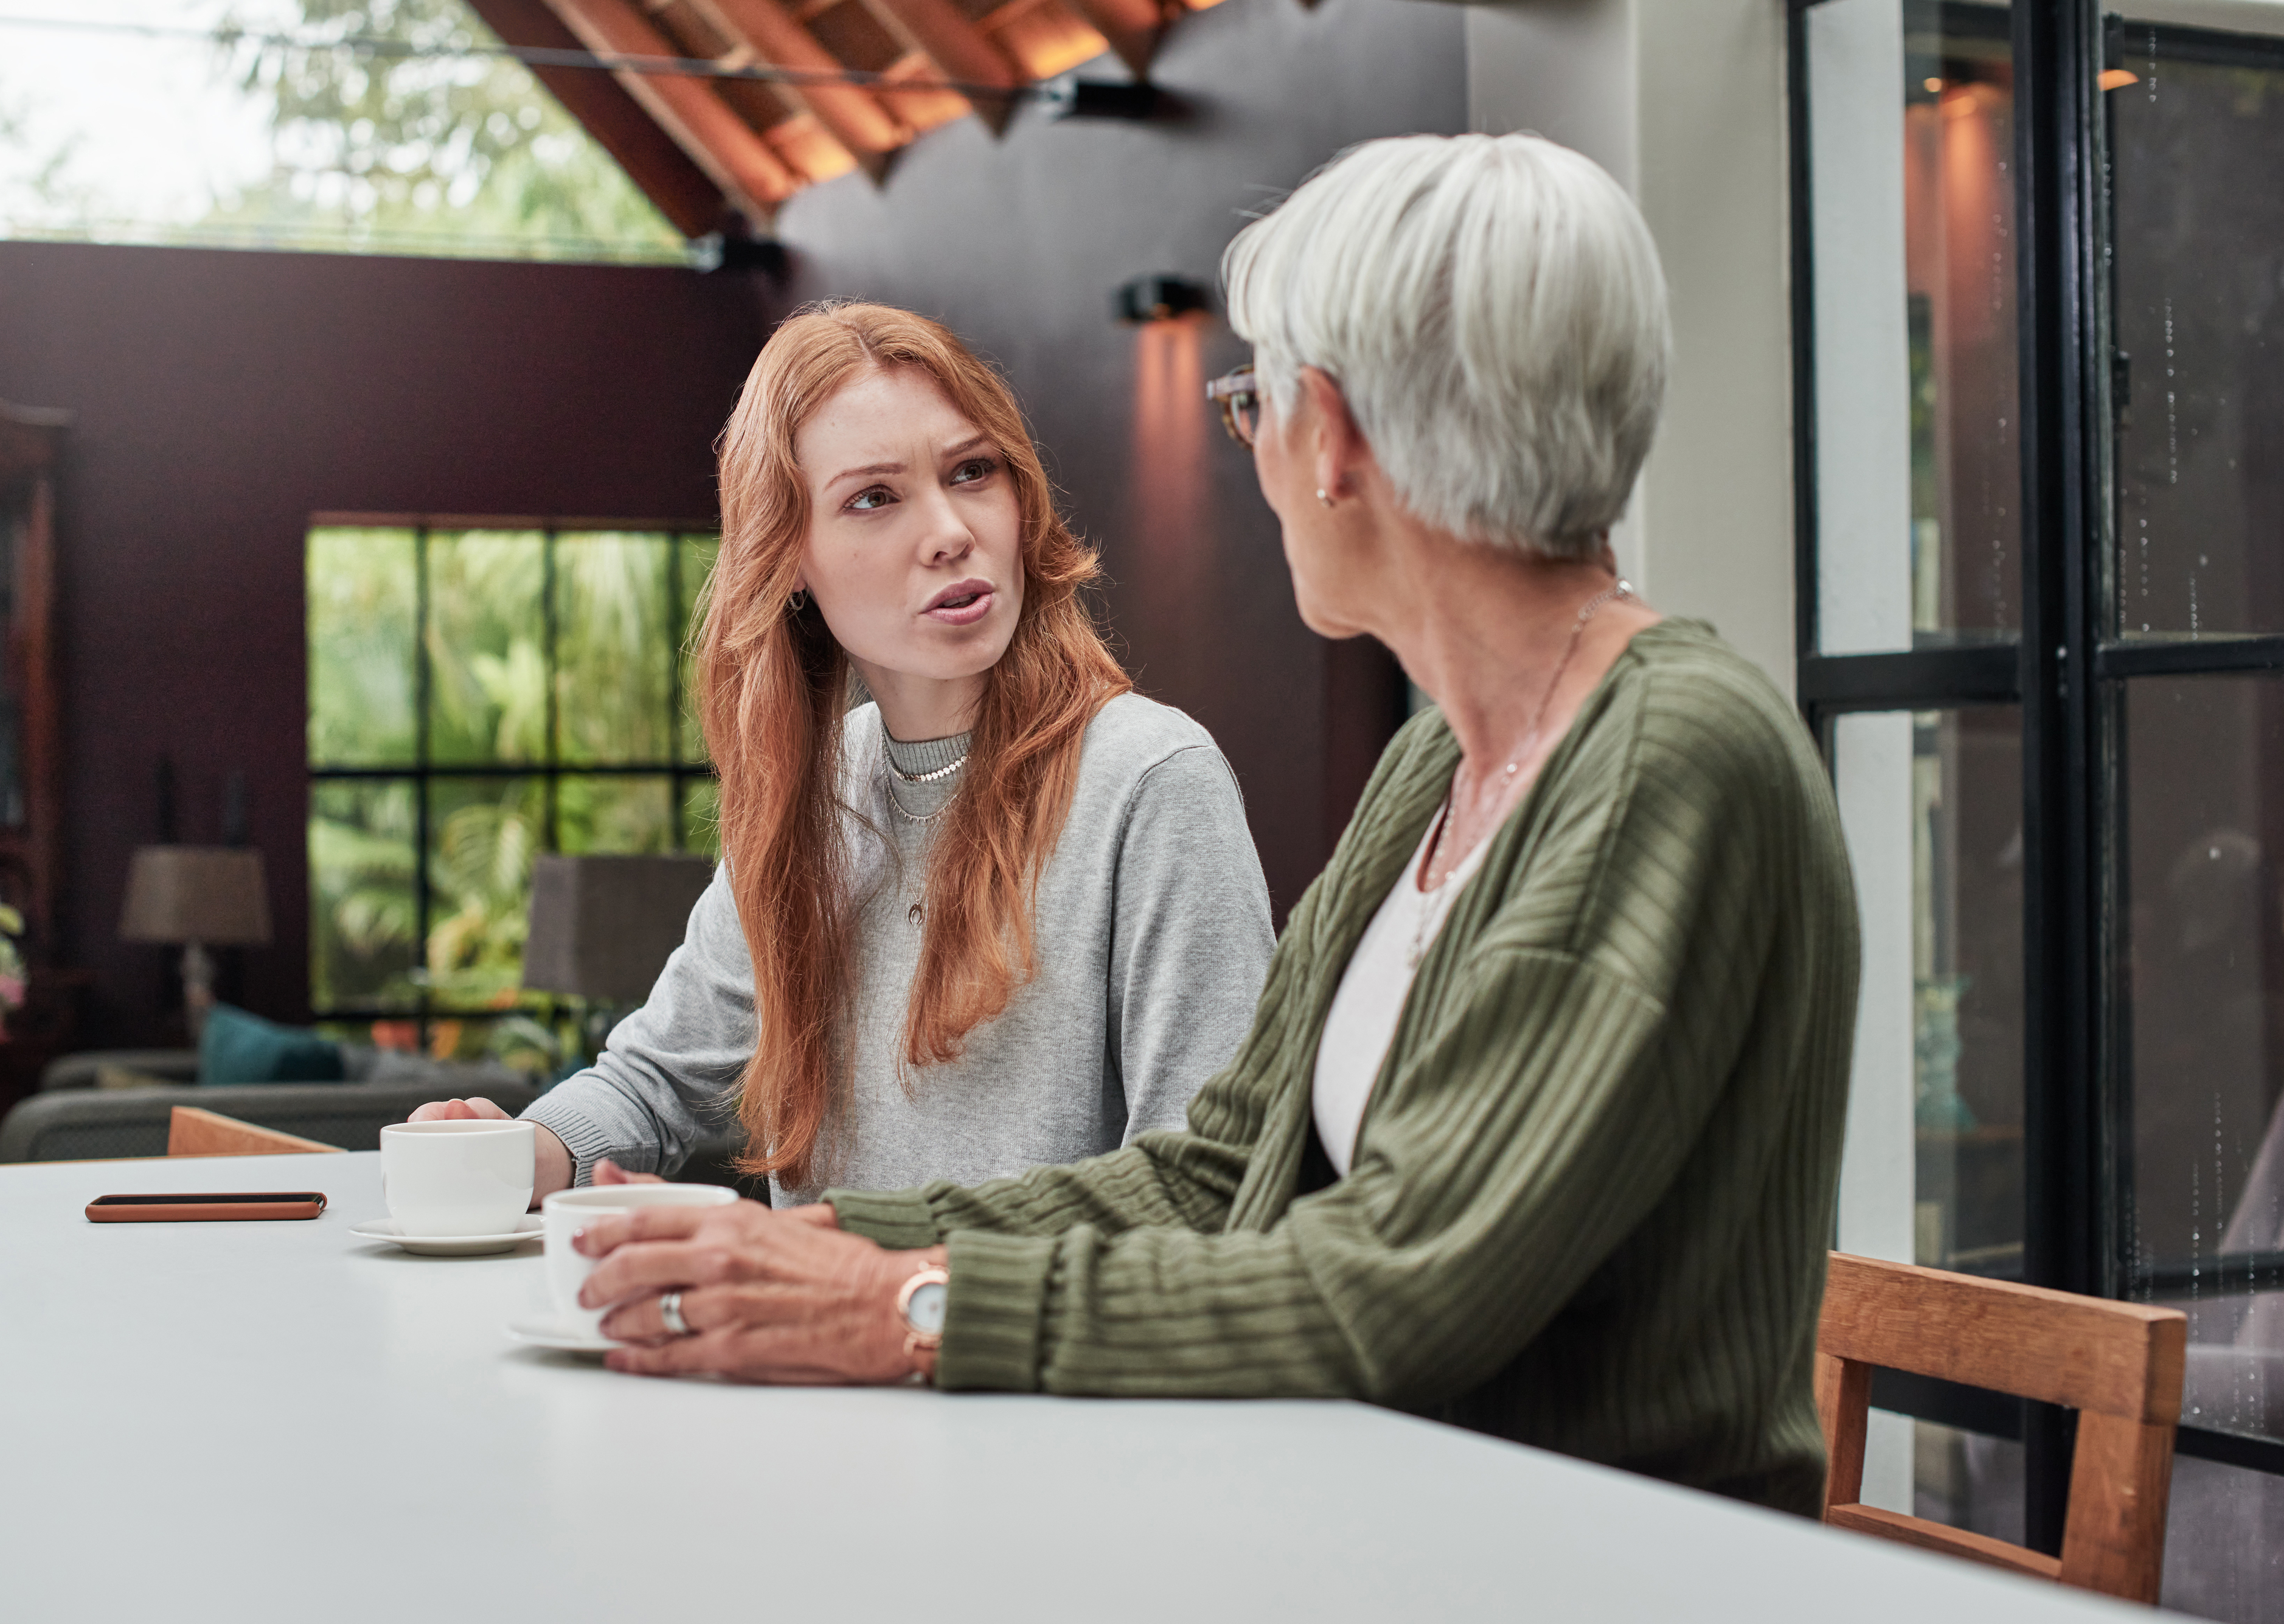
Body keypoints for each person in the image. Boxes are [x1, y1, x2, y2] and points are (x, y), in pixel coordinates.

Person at [561, 134, 1860, 1513]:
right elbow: (1221, 1169)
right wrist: (838, 1246)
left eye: (1251, 407)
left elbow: (1395, 1286)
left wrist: (911, 1307)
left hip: (1572, 1566)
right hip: (1389, 1522)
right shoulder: (1440, 767)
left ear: (1337, 439)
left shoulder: (1668, 765)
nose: (1248, 451)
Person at [415, 302, 1275, 1207]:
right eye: (875, 497)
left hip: (1012, 1345)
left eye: (972, 471)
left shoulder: (1151, 779)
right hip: (798, 1349)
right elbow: (657, 1080)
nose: (949, 531)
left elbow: (1207, 1188)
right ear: (787, 554)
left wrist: (890, 1288)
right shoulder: (818, 789)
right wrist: (519, 1148)